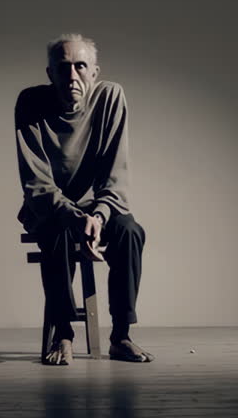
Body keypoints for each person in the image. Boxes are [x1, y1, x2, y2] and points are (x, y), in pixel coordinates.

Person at [15, 33, 153, 365]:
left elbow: (115, 173)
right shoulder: (31, 102)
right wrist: (76, 218)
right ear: (50, 73)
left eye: (80, 66)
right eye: (63, 67)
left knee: (130, 232)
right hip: (50, 207)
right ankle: (63, 333)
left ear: (94, 71)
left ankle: (121, 336)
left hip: (98, 206)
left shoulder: (110, 97)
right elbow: (36, 181)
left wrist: (100, 215)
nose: (72, 76)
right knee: (57, 231)